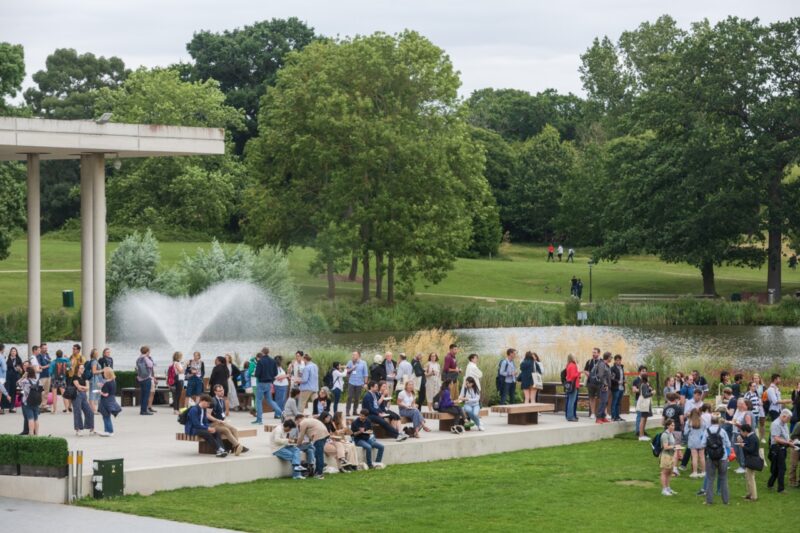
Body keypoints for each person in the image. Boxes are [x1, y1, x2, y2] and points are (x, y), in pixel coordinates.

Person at [207, 384, 248, 456]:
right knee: (226, 430)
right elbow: (207, 415)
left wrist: (224, 419)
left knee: (234, 429)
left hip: (220, 422)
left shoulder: (222, 400)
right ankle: (238, 446)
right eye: (219, 391)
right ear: (215, 392)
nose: (221, 392)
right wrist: (217, 420)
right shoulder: (213, 401)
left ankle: (235, 447)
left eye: (222, 390)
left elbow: (222, 413)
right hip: (212, 424)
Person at [700, 413, 731, 505]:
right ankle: (726, 501)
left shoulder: (707, 431)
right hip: (723, 457)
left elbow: (702, 444)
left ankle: (709, 501)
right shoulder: (722, 431)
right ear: (718, 422)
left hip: (711, 457)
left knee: (710, 479)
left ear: (711, 421)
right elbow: (728, 444)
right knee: (723, 479)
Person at [295, 414, 330, 479]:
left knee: (319, 455)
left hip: (319, 436)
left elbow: (301, 436)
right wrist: (308, 441)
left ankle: (319, 473)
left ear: (298, 420)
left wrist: (297, 444)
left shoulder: (302, 423)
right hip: (324, 434)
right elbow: (312, 431)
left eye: (296, 422)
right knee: (319, 454)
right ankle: (318, 471)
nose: (297, 424)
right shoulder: (310, 420)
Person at [767, 408, 793, 493]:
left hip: (783, 448)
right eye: (788, 419)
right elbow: (776, 438)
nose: (788, 421)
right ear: (783, 416)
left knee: (776, 469)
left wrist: (790, 441)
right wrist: (788, 443)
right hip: (777, 448)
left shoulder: (784, 423)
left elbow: (785, 436)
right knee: (782, 468)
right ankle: (781, 489)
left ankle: (770, 484)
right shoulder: (776, 424)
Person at [253, 348, 281, 424]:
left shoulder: (260, 361)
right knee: (270, 400)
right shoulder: (273, 361)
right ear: (268, 352)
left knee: (258, 401)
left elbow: (257, 374)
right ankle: (281, 413)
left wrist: (256, 375)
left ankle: (259, 419)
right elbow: (275, 373)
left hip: (261, 383)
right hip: (269, 383)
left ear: (262, 352)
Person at [71, 363, 95, 436]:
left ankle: (91, 428)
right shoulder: (74, 377)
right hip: (76, 396)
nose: (83, 369)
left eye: (83, 368)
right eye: (81, 368)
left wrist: (83, 388)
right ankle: (78, 430)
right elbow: (78, 387)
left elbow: (87, 388)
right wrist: (83, 387)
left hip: (84, 396)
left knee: (90, 412)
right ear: (77, 369)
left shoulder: (84, 377)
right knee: (77, 412)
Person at [738, 423, 760, 500]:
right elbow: (747, 443)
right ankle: (749, 494)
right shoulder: (750, 437)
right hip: (750, 460)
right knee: (748, 477)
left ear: (745, 431)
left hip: (752, 460)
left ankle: (753, 496)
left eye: (741, 432)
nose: (741, 433)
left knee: (751, 478)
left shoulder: (753, 438)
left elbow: (751, 449)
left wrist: (743, 446)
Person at [731, 398, 753, 474]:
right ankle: (740, 465)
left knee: (741, 450)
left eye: (740, 404)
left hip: (740, 433)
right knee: (735, 449)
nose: (738, 405)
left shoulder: (746, 413)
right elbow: (734, 419)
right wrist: (734, 422)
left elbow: (748, 427)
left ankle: (743, 466)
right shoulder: (737, 410)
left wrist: (737, 424)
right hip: (734, 431)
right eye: (738, 403)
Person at [97, 367, 121, 437]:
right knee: (107, 416)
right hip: (111, 400)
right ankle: (108, 431)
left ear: (107, 374)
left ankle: (109, 431)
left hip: (105, 401)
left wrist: (100, 392)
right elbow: (110, 390)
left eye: (103, 373)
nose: (103, 374)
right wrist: (102, 385)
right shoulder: (113, 381)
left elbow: (106, 394)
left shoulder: (107, 383)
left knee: (106, 417)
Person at [684, 408, 707, 478]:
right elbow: (705, 430)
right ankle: (703, 472)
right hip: (701, 440)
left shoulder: (689, 422)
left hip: (692, 441)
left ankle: (695, 472)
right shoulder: (703, 421)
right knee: (702, 457)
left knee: (694, 457)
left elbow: (685, 432)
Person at [345, 351, 368, 417]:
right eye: (352, 355)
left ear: (359, 356)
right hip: (351, 382)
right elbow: (346, 371)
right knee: (349, 397)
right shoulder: (350, 362)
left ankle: (355, 411)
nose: (353, 356)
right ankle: (347, 411)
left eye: (354, 355)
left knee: (357, 398)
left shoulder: (363, 363)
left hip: (359, 383)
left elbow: (365, 374)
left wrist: (365, 383)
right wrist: (352, 368)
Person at [19, 367, 41, 436]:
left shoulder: (25, 381)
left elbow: (17, 384)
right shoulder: (38, 381)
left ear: (27, 373)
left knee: (30, 418)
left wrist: (23, 376)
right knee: (36, 418)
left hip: (27, 402)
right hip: (36, 402)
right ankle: (36, 433)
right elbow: (41, 390)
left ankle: (31, 433)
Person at [659, 419, 679, 496]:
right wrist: (674, 446)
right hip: (665, 456)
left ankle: (668, 488)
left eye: (674, 425)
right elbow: (665, 447)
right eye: (671, 425)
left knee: (669, 472)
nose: (673, 427)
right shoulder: (665, 435)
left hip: (671, 455)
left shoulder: (671, 434)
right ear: (667, 426)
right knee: (664, 472)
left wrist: (676, 448)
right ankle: (664, 489)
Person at [135, 346, 156, 415]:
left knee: (143, 395)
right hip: (147, 378)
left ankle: (142, 409)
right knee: (146, 395)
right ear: (147, 351)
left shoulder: (139, 358)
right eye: (149, 351)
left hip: (140, 378)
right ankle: (144, 411)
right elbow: (151, 365)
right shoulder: (146, 358)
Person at [48, 349, 70, 414]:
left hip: (55, 379)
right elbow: (69, 367)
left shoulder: (53, 362)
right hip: (62, 379)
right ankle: (67, 410)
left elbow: (50, 372)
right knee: (64, 395)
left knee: (54, 395)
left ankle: (55, 410)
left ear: (56, 355)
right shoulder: (65, 361)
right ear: (62, 355)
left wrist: (52, 375)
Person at [631, 365, 649, 439]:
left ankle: (642, 430)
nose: (644, 372)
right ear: (639, 372)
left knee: (644, 416)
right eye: (643, 371)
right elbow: (634, 390)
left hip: (645, 400)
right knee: (639, 416)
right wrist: (642, 389)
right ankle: (638, 431)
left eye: (645, 371)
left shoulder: (646, 380)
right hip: (638, 400)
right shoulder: (636, 380)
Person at [3, 347, 23, 413]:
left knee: (13, 392)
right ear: (10, 352)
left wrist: (19, 369)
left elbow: (21, 371)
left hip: (15, 378)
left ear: (16, 352)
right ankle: (5, 406)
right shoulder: (7, 359)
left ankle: (12, 407)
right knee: (7, 391)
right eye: (12, 351)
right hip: (8, 378)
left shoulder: (19, 359)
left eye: (14, 351)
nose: (13, 352)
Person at [583, 348, 601, 418]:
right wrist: (588, 373)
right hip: (590, 383)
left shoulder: (601, 361)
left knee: (600, 398)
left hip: (599, 383)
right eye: (593, 352)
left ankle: (600, 413)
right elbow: (585, 370)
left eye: (595, 352)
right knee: (591, 398)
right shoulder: (589, 361)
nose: (593, 354)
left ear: (599, 353)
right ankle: (593, 413)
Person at [634, 374, 653, 441]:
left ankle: (642, 434)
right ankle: (641, 435)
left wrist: (649, 390)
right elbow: (645, 395)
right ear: (646, 378)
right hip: (644, 404)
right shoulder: (644, 385)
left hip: (645, 403)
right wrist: (652, 393)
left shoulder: (644, 384)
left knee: (644, 418)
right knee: (643, 419)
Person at [564, 354, 580, 422]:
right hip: (573, 385)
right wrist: (579, 372)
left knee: (570, 400)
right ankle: (570, 417)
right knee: (571, 401)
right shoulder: (573, 365)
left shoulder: (568, 365)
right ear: (572, 358)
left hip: (569, 384)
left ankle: (569, 416)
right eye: (575, 357)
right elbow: (573, 375)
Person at [610, 354, 626, 422]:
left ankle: (618, 416)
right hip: (616, 388)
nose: (618, 361)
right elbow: (612, 378)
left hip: (621, 388)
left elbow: (622, 376)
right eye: (617, 360)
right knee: (614, 402)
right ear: (615, 361)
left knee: (619, 403)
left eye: (619, 360)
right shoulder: (613, 368)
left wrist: (624, 380)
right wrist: (618, 382)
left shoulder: (622, 368)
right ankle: (613, 416)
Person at [35, 344, 51, 409]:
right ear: (41, 349)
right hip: (42, 376)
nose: (45, 349)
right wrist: (47, 366)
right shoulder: (39, 356)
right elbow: (39, 366)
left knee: (47, 391)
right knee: (42, 391)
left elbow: (50, 362)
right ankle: (40, 404)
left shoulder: (47, 355)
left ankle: (44, 404)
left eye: (46, 348)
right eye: (44, 348)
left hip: (48, 375)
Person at [86, 349, 102, 413]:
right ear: (94, 354)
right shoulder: (94, 362)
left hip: (95, 379)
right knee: (93, 394)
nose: (98, 354)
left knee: (95, 393)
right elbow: (94, 371)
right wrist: (102, 370)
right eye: (97, 353)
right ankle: (93, 410)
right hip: (94, 379)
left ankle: (93, 409)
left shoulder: (93, 361)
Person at [752, 373, 767, 440]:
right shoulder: (751, 386)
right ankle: (755, 436)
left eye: (757, 378)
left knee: (762, 421)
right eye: (754, 378)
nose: (755, 379)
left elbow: (766, 396)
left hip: (761, 405)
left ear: (759, 379)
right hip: (754, 405)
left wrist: (763, 402)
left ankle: (763, 437)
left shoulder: (763, 386)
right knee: (754, 421)